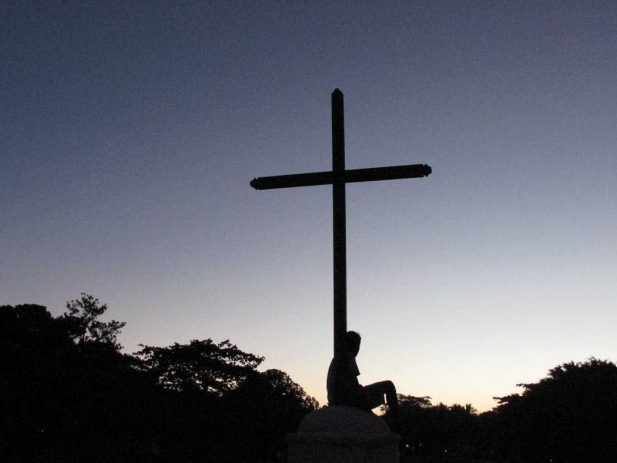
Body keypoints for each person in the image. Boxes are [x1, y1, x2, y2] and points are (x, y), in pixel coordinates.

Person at [326, 331, 401, 433]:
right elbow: (353, 387)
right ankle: (396, 422)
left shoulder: (338, 358)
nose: (357, 349)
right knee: (389, 385)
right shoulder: (348, 356)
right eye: (356, 345)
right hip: (347, 399)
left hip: (338, 398)